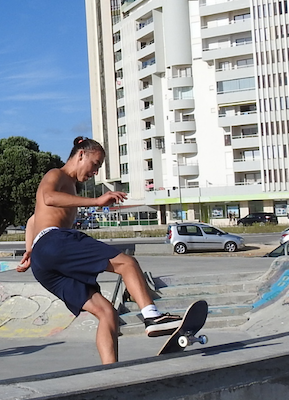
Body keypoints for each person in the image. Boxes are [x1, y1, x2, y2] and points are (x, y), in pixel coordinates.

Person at [18, 136, 181, 365]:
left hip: (43, 262)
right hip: (54, 241)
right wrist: (96, 201)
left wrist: (29, 250)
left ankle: (110, 370)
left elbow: (32, 219)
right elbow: (48, 197)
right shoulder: (56, 175)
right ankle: (153, 317)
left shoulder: (71, 187)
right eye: (95, 164)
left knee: (106, 312)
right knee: (127, 263)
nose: (95, 172)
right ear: (81, 154)